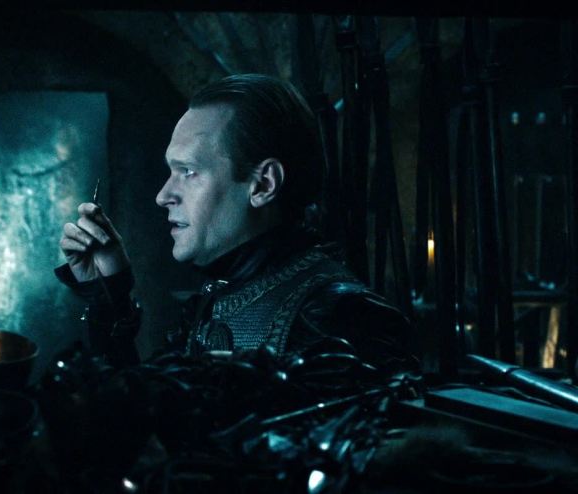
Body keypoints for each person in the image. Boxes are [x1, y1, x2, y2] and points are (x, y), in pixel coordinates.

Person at [56, 74, 412, 370]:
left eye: (189, 171)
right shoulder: (216, 299)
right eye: (172, 172)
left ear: (263, 185)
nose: (163, 196)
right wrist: (110, 292)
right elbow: (144, 420)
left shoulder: (344, 320)